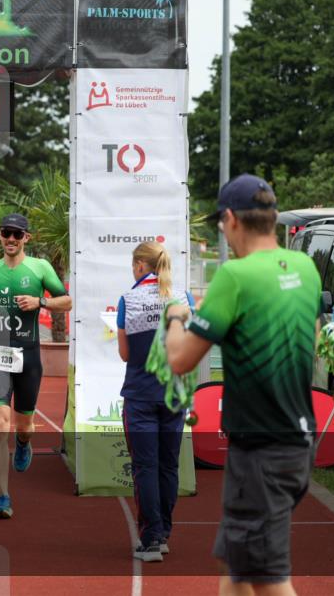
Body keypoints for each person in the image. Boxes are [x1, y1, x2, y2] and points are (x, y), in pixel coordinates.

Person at [163, 174, 321, 595]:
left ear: (231, 219)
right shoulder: (305, 267)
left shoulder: (235, 277)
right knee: (237, 568)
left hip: (261, 449)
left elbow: (179, 359)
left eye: (219, 222)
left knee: (269, 578)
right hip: (297, 440)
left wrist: (177, 315)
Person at [0, 213, 72, 519]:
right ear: (0, 236)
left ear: (27, 237)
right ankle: (2, 495)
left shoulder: (40, 268)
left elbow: (66, 300)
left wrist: (40, 302)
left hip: (29, 354)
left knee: (23, 424)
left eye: (17, 234)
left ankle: (24, 441)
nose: (10, 239)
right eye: (6, 233)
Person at [116, 241, 193, 562]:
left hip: (139, 393)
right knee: (168, 465)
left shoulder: (127, 300)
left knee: (145, 466)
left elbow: (125, 354)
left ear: (138, 266)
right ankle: (163, 534)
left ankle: (150, 539)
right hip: (173, 395)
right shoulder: (182, 299)